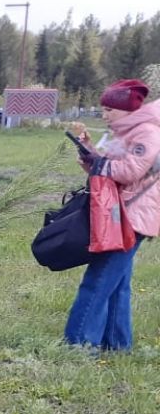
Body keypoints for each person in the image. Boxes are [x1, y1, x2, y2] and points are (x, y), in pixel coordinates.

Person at [65, 79, 159, 351]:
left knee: (98, 280)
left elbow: (130, 171)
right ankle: (117, 343)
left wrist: (99, 163)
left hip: (130, 218)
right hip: (123, 213)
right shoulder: (128, 133)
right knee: (117, 285)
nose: (104, 115)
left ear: (127, 110)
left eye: (109, 110)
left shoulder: (146, 134)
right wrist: (91, 157)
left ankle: (80, 344)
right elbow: (112, 172)